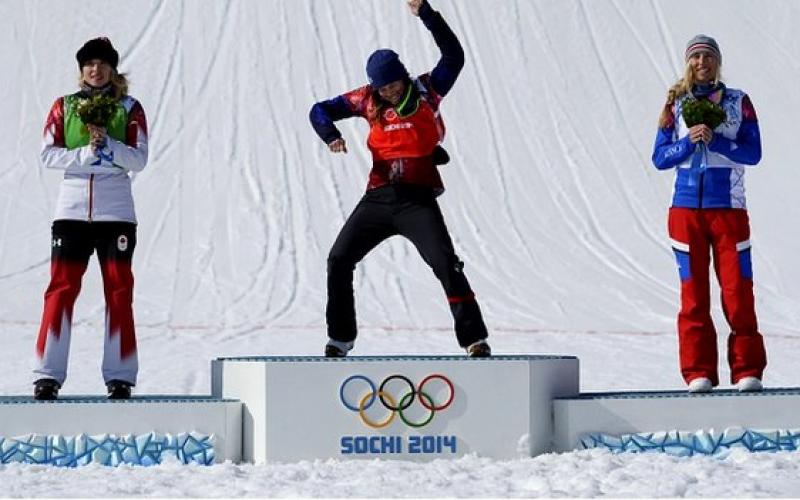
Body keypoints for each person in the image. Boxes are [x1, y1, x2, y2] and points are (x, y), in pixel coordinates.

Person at [309, 0, 490, 358]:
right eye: (383, 87)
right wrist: (331, 135)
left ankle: (474, 339)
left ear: (402, 76)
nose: (389, 91)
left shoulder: (427, 89)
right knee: (339, 259)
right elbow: (320, 110)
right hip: (378, 197)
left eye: (393, 84)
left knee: (446, 265)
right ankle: (340, 339)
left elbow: (453, 56)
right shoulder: (366, 99)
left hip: (417, 200)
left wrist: (426, 13)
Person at [33, 37, 149, 400]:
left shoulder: (130, 107)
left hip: (116, 212)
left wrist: (110, 147)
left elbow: (139, 159)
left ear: (113, 70)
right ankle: (47, 375)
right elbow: (47, 155)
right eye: (89, 64)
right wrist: (85, 153)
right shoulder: (63, 106)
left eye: (102, 64)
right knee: (60, 289)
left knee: (118, 291)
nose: (95, 70)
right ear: (81, 70)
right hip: (71, 210)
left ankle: (120, 376)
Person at [651, 35, 766, 393]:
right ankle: (698, 371)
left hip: (729, 210)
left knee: (737, 291)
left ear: (718, 62)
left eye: (709, 56)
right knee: (694, 294)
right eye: (697, 56)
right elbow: (659, 157)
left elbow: (753, 153)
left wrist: (717, 141)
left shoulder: (738, 101)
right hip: (685, 211)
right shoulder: (676, 102)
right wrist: (688, 142)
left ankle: (748, 370)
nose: (703, 62)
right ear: (689, 62)